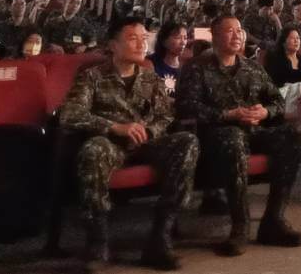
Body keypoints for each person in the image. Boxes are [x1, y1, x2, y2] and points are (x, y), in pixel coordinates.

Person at [58, 16, 198, 271]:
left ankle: (160, 236)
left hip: (146, 143)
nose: (141, 45)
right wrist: (115, 127)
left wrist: (149, 130)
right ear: (113, 45)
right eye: (133, 39)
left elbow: (165, 115)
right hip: (110, 143)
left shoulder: (150, 78)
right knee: (93, 150)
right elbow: (71, 114)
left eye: (144, 39)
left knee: (187, 142)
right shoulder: (92, 77)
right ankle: (97, 242)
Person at [174, 16, 301, 255]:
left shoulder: (252, 67)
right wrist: (228, 114)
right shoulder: (196, 68)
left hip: (254, 131)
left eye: (239, 31)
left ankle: (273, 220)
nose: (237, 36)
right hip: (215, 137)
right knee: (233, 137)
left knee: (296, 133)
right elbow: (186, 106)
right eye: (229, 31)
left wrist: (265, 112)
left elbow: (276, 99)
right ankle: (240, 224)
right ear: (214, 36)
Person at [151, 22, 187, 91]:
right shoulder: (151, 63)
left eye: (185, 38)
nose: (183, 42)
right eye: (178, 37)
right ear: (164, 41)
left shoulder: (188, 66)